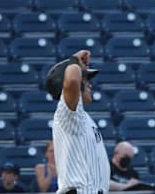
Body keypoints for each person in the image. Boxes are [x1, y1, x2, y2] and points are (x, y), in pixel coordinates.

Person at [45, 50, 110, 194]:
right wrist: (74, 60)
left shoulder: (82, 116)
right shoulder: (67, 113)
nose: (90, 85)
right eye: (85, 80)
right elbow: (72, 80)